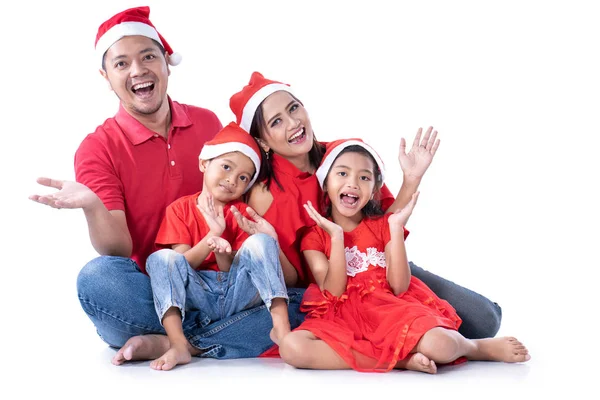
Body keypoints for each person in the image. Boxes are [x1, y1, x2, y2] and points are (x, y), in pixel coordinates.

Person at [29, 7, 305, 365]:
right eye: (121, 63)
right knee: (98, 279)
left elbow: (251, 192)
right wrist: (92, 206)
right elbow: (117, 247)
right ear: (105, 74)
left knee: (303, 291)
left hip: (227, 282)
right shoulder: (97, 147)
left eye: (147, 57)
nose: (138, 70)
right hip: (155, 291)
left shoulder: (207, 124)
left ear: (165, 63)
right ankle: (218, 335)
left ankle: (175, 343)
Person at [229, 72, 503, 341]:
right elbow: (287, 280)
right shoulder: (265, 194)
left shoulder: (343, 155)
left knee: (485, 320)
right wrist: (273, 242)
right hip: (326, 294)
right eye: (277, 121)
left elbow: (384, 227)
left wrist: (411, 180)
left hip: (379, 271)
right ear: (263, 141)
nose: (293, 123)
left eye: (294, 108)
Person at [277, 139, 530, 373]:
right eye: (342, 173)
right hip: (344, 319)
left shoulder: (382, 225)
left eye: (364, 177)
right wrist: (337, 237)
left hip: (390, 312)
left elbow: (399, 286)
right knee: (292, 347)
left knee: (441, 346)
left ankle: (476, 348)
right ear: (325, 182)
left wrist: (395, 231)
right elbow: (333, 290)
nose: (352, 182)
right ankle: (401, 360)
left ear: (375, 188)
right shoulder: (315, 236)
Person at [145, 122, 292, 371]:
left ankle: (282, 330)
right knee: (161, 259)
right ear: (204, 163)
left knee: (261, 241)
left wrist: (225, 255)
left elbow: (249, 267)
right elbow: (181, 265)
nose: (231, 180)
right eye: (226, 167)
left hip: (238, 292)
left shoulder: (242, 212)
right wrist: (211, 237)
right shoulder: (180, 209)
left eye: (243, 178)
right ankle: (178, 343)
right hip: (199, 294)